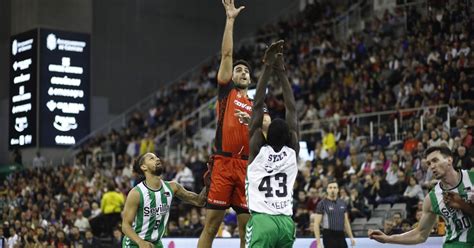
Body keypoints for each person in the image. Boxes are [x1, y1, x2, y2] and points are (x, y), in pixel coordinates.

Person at [198, 0, 252, 247]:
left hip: (246, 168)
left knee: (246, 232)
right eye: (238, 70)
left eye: (246, 72)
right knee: (210, 227)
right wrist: (230, 20)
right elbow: (227, 54)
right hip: (223, 163)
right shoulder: (226, 92)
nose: (242, 73)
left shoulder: (257, 105)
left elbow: (269, 127)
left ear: (250, 79)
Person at [245, 40, 298, 248]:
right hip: (286, 222)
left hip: (262, 221)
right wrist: (281, 71)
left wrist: (267, 66)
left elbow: (257, 105)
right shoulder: (293, 150)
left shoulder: (257, 146)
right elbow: (292, 109)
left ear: (265, 135)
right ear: (289, 136)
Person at [369, 146, 474, 247]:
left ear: (449, 160)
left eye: (435, 160)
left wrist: (463, 205)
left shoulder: (471, 177)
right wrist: (387, 239)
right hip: (455, 245)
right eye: (429, 163)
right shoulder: (431, 198)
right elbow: (420, 234)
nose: (432, 166)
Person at [122, 152, 208, 248]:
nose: (157, 159)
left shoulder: (173, 187)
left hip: (156, 243)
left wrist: (211, 180)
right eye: (152, 158)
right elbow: (125, 226)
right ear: (144, 167)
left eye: (156, 157)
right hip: (135, 243)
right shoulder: (136, 193)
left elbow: (199, 201)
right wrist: (140, 242)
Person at [314, 181, 356, 248]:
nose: (332, 189)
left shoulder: (343, 203)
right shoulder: (322, 204)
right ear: (327, 190)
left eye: (334, 187)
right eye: (330, 188)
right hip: (328, 235)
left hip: (341, 234)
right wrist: (318, 242)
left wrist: (351, 237)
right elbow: (316, 224)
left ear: (338, 190)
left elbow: (346, 222)